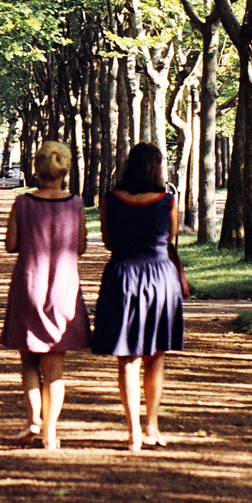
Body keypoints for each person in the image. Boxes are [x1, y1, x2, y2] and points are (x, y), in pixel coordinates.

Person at [92, 143, 184, 451]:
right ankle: (152, 427)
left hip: (122, 277)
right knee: (156, 357)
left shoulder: (110, 200)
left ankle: (132, 431)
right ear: (158, 168)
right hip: (160, 278)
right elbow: (171, 237)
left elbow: (107, 241)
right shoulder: (169, 201)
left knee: (127, 358)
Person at [0, 141, 89, 449]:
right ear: (65, 170)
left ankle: (33, 420)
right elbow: (80, 248)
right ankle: (51, 431)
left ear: (36, 170)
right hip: (63, 289)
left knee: (28, 362)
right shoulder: (76, 205)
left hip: (29, 286)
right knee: (54, 368)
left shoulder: (22, 204)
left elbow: (10, 245)